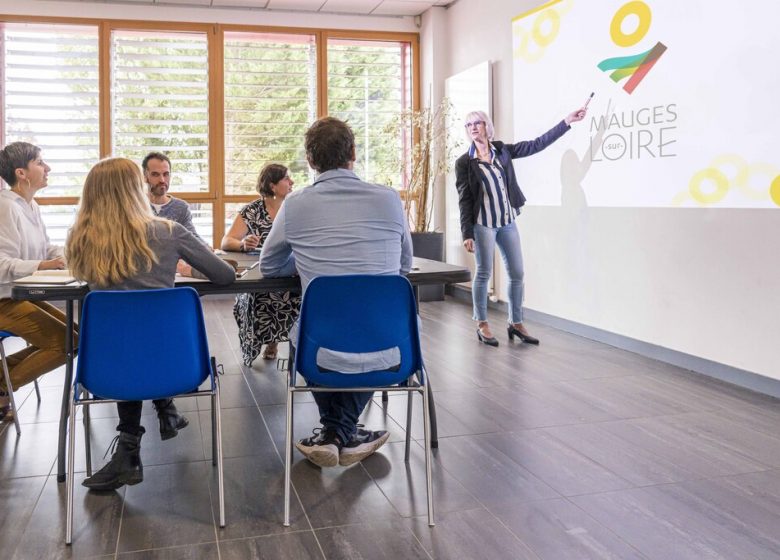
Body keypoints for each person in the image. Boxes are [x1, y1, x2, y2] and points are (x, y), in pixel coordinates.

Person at [66, 157, 235, 491]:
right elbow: (224, 275)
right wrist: (182, 268)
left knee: (127, 340)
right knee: (145, 339)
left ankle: (129, 448)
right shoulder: (168, 231)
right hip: (175, 363)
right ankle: (163, 410)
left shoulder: (81, 239)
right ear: (136, 189)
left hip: (108, 369)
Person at [260, 117, 413, 468]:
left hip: (320, 353)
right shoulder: (389, 199)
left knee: (309, 332)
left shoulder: (295, 204)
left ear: (311, 160)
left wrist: (306, 261)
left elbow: (269, 265)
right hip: (391, 348)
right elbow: (403, 265)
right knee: (364, 329)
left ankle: (334, 433)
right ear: (353, 153)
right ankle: (345, 433)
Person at [455, 106, 587, 347]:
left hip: (507, 222)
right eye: (469, 124)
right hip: (483, 224)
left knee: (517, 273)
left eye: (477, 123)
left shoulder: (502, 151)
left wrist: (566, 122)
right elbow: (464, 199)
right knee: (483, 273)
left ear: (486, 126)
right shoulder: (464, 162)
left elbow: (536, 144)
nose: (473, 127)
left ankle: (516, 323)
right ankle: (482, 324)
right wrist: (467, 233)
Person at [0, 142, 70, 421]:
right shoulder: (6, 207)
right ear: (21, 173)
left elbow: (45, 249)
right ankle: (3, 387)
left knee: (75, 338)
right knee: (64, 344)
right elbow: (2, 265)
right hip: (4, 300)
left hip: (20, 296)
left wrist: (71, 254)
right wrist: (43, 265)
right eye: (40, 162)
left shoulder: (31, 206)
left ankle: (2, 380)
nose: (47, 168)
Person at [221, 163, 300, 365]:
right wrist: (242, 244)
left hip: (289, 271)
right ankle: (268, 340)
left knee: (297, 294)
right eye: (286, 178)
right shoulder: (252, 210)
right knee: (261, 296)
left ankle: (291, 344)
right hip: (259, 273)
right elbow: (226, 241)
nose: (292, 182)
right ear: (273, 186)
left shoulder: (295, 209)